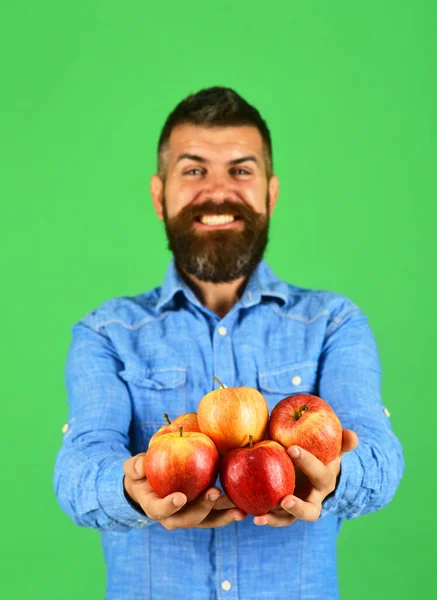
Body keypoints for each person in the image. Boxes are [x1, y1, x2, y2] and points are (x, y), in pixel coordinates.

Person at [53, 86, 404, 600]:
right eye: (193, 170)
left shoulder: (333, 323)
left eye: (241, 170)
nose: (218, 191)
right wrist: (129, 488)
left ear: (271, 193)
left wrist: (335, 475)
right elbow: (79, 467)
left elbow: (380, 457)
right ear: (159, 195)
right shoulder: (105, 333)